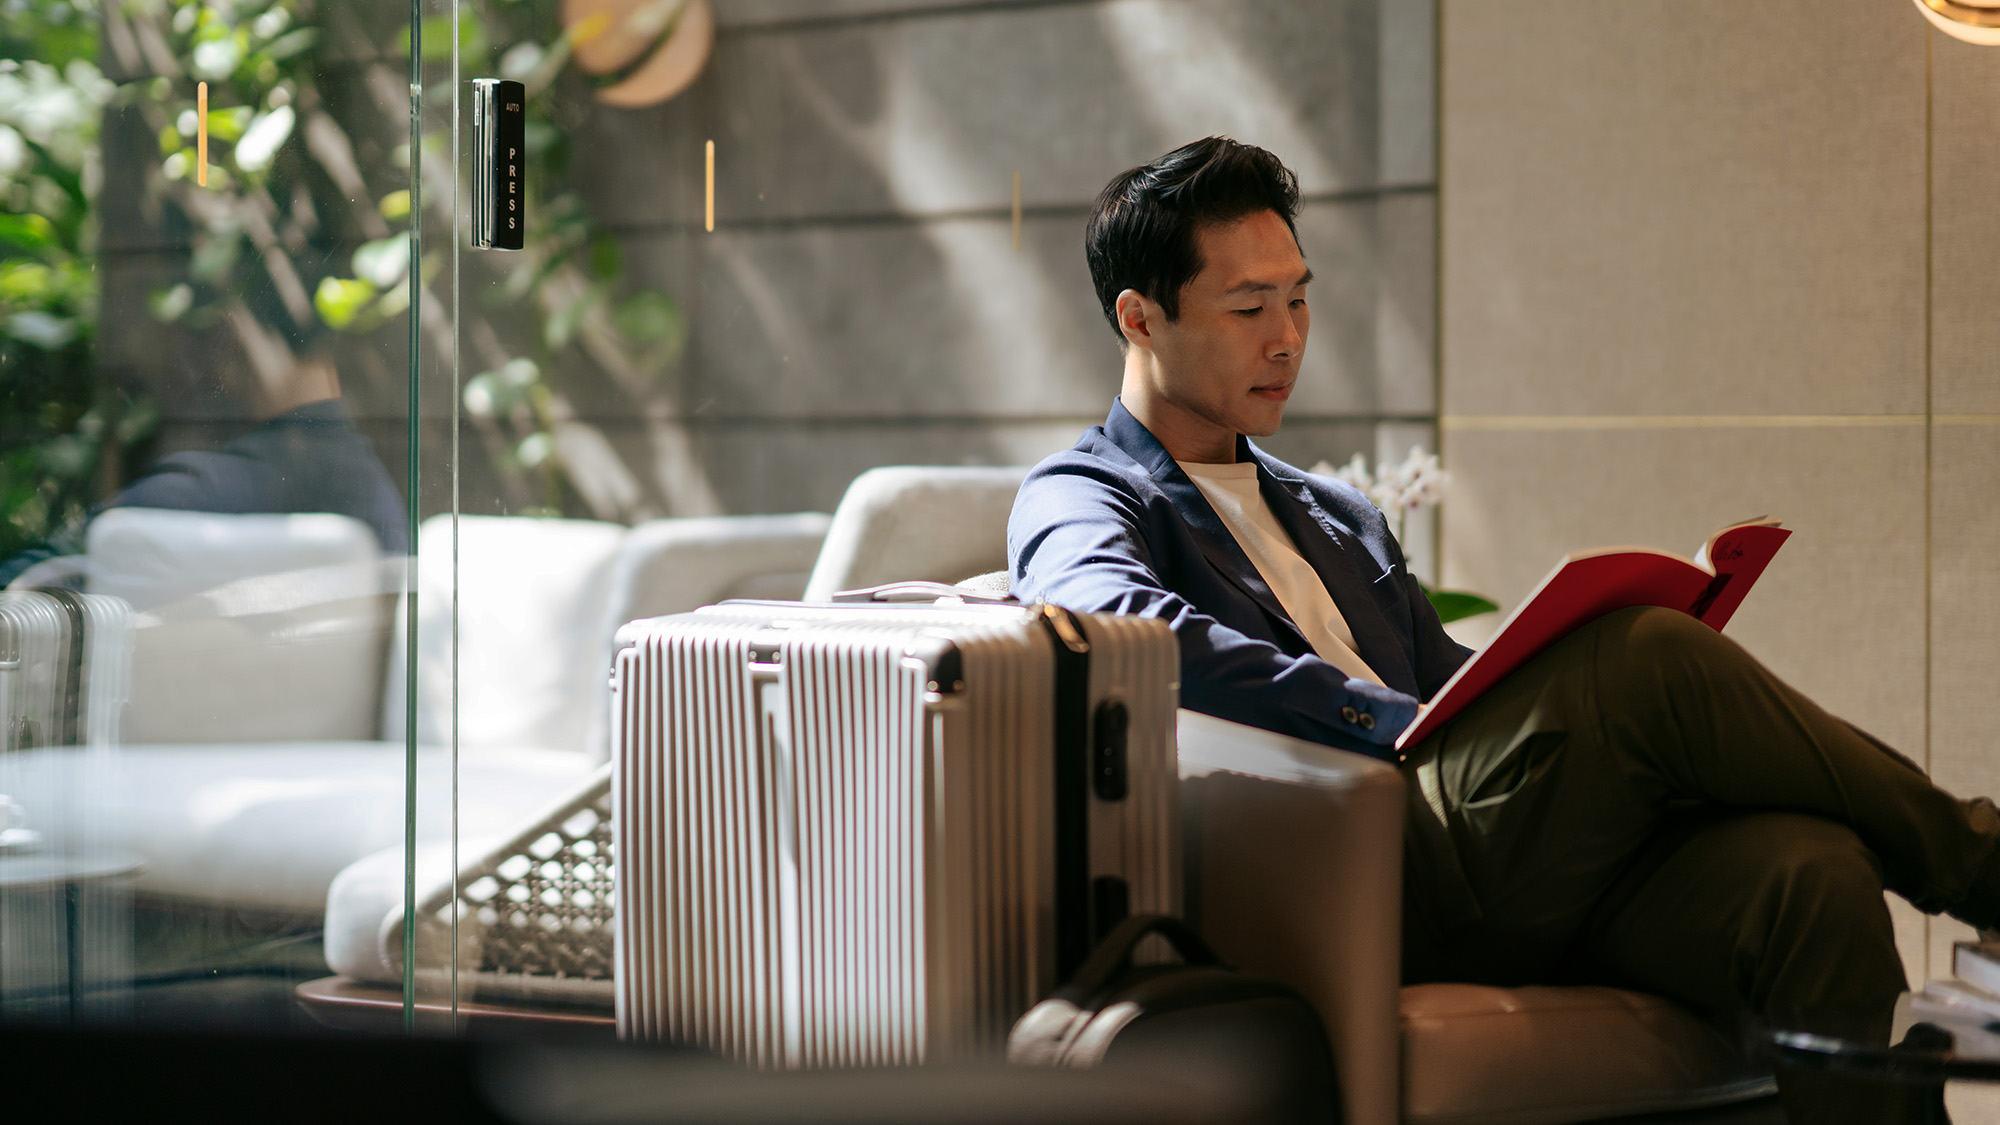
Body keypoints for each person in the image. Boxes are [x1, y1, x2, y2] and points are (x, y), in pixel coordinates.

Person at [1008, 136, 1993, 1123]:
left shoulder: (1334, 513)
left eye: (1298, 299)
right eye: (1248, 307)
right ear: (1140, 318)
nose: (1287, 338)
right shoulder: (1084, 492)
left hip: (1491, 854)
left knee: (1811, 876)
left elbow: (1453, 684)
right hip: (1351, 860)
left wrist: (1541, 680)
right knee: (1643, 656)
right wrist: (1372, 715)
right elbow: (1116, 623)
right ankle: (1981, 863)